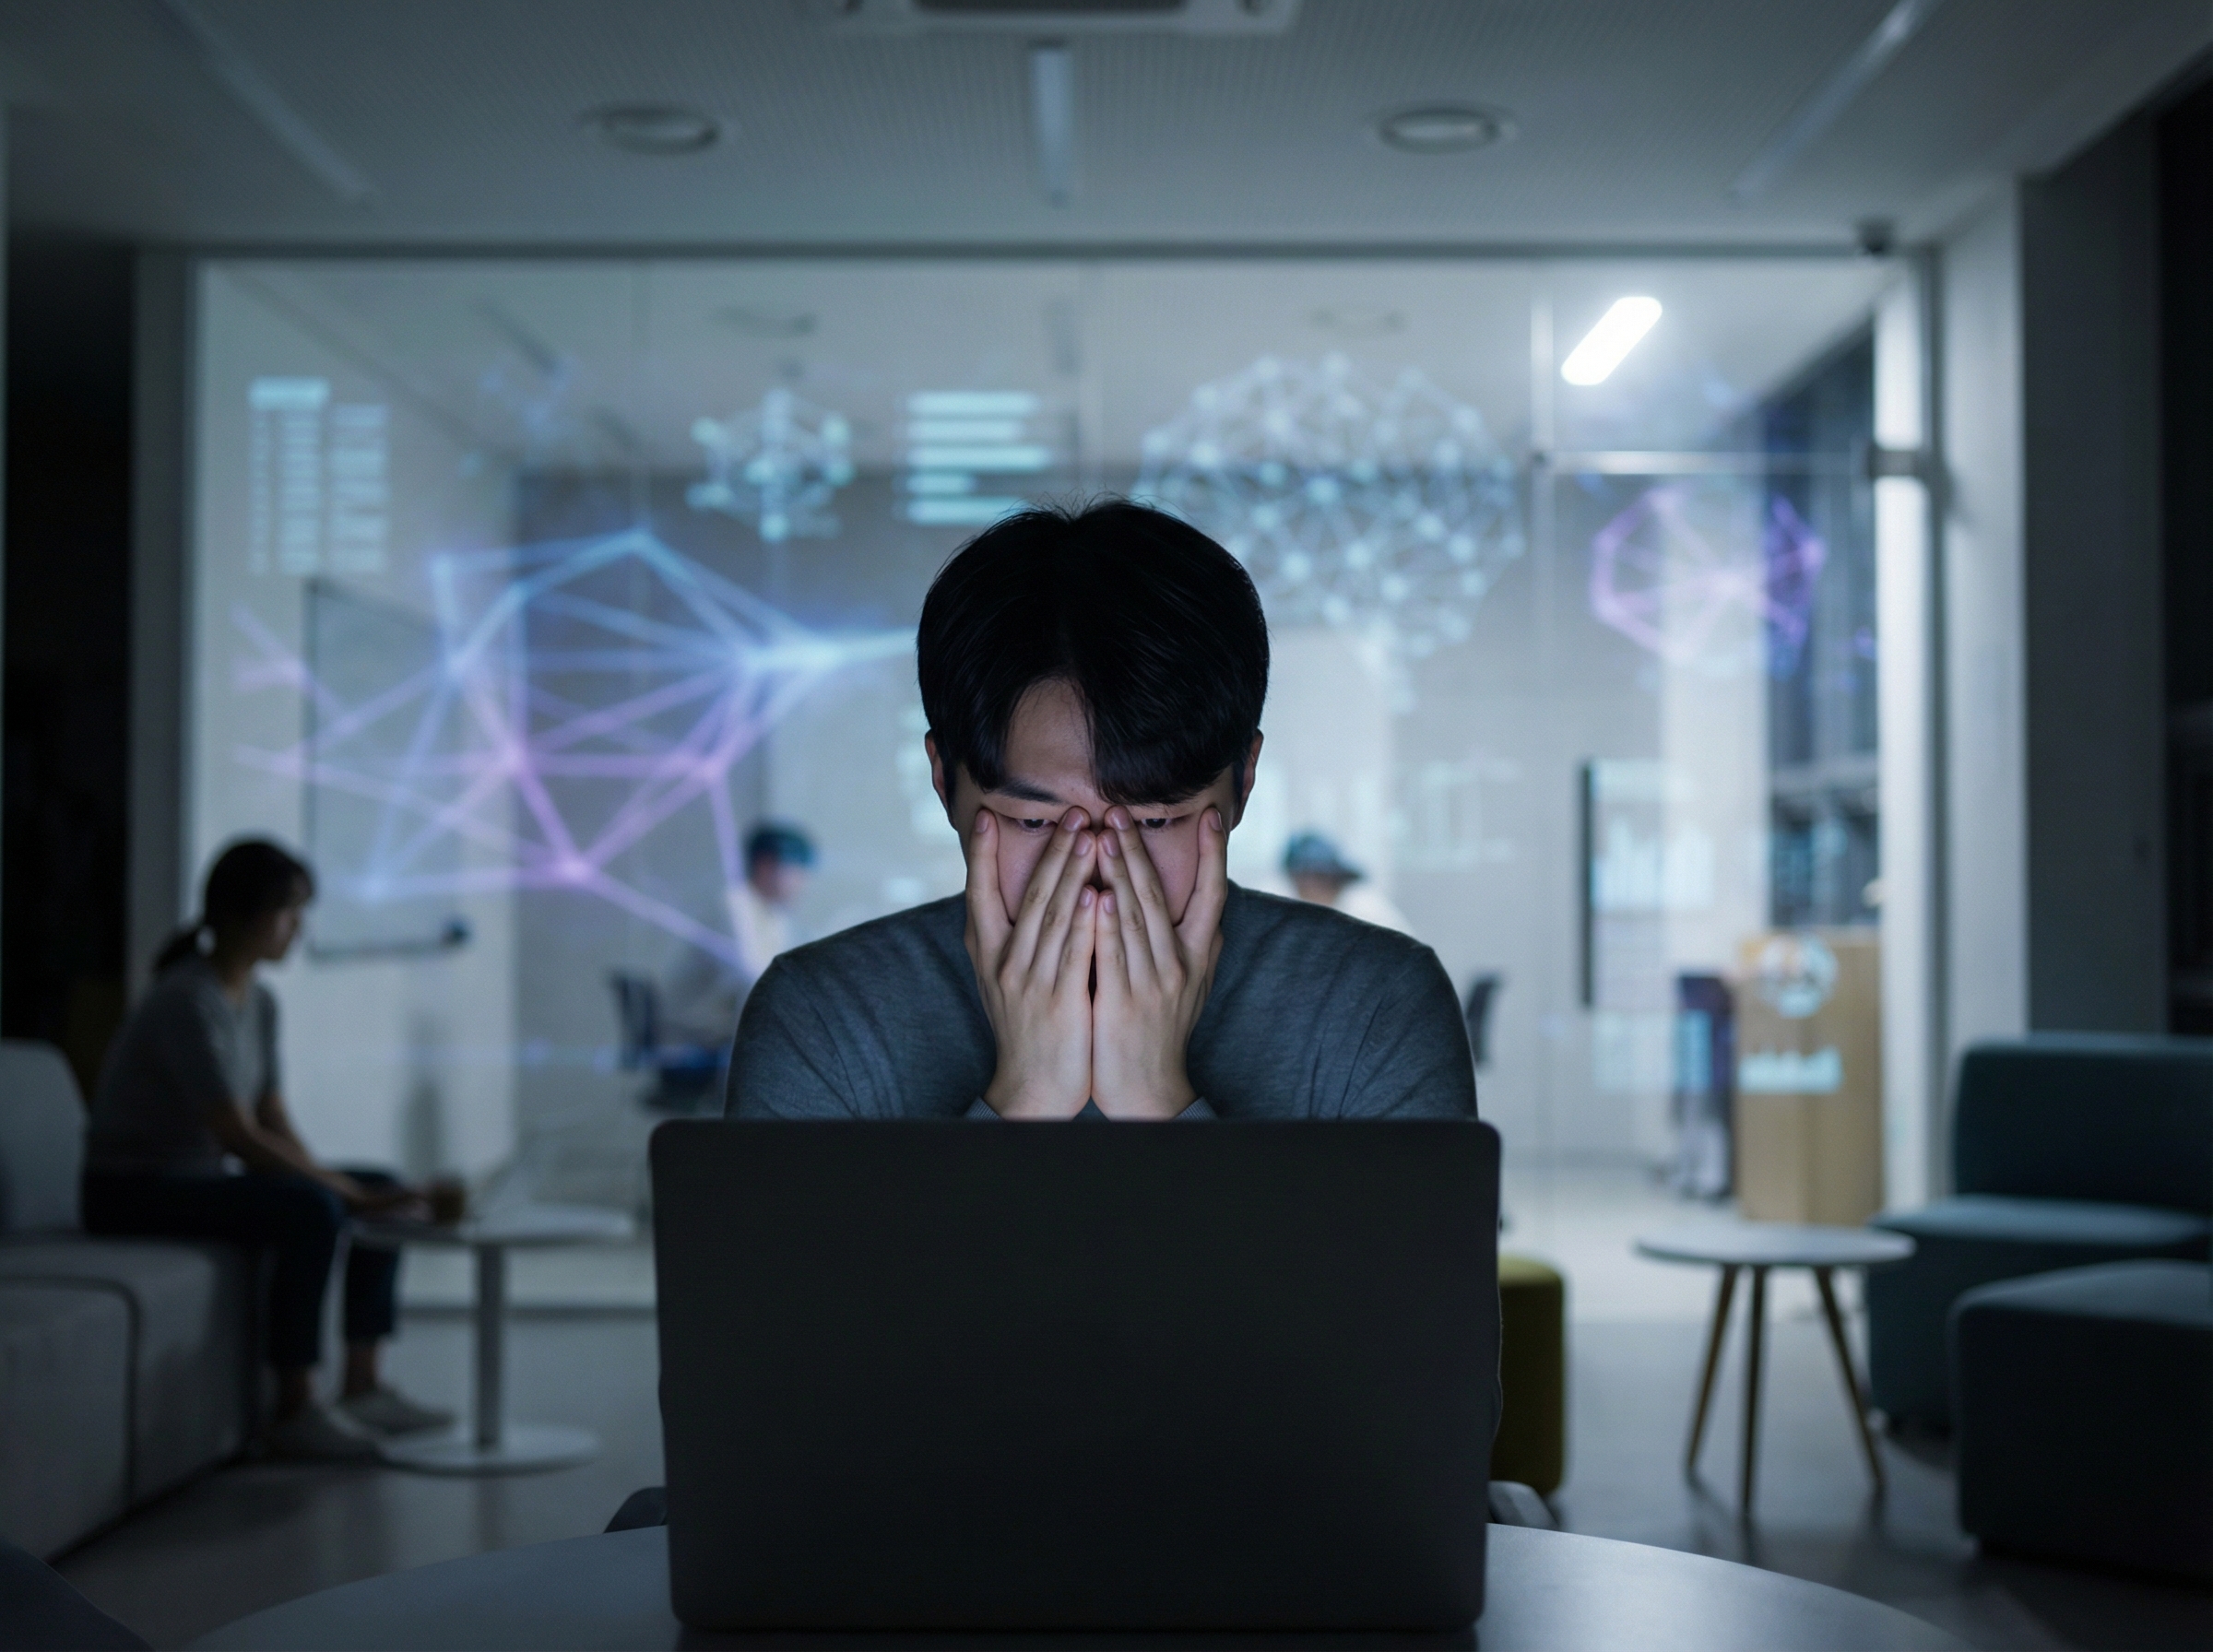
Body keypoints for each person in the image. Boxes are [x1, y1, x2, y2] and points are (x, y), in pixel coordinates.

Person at [727, 500, 1476, 1122]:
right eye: (1033, 823)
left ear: (1243, 783)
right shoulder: (822, 1021)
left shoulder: (1376, 1009)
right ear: (943, 781)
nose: (1094, 873)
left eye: (1152, 823)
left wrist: (1154, 1101)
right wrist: (1026, 1101)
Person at [81, 840, 453, 1460]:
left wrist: (344, 1183)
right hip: (130, 1190)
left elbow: (272, 1118)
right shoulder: (186, 1000)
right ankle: (295, 1407)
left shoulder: (259, 1001)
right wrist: (336, 1192)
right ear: (241, 915)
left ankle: (362, 1386)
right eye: (289, 911)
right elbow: (237, 1133)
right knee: (314, 1210)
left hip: (197, 1177)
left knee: (374, 1184)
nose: (299, 928)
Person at [1281, 830, 1414, 935]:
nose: (1309, 885)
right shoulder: (1298, 912)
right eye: (1301, 877)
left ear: (1335, 877)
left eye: (1319, 876)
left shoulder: (1366, 909)